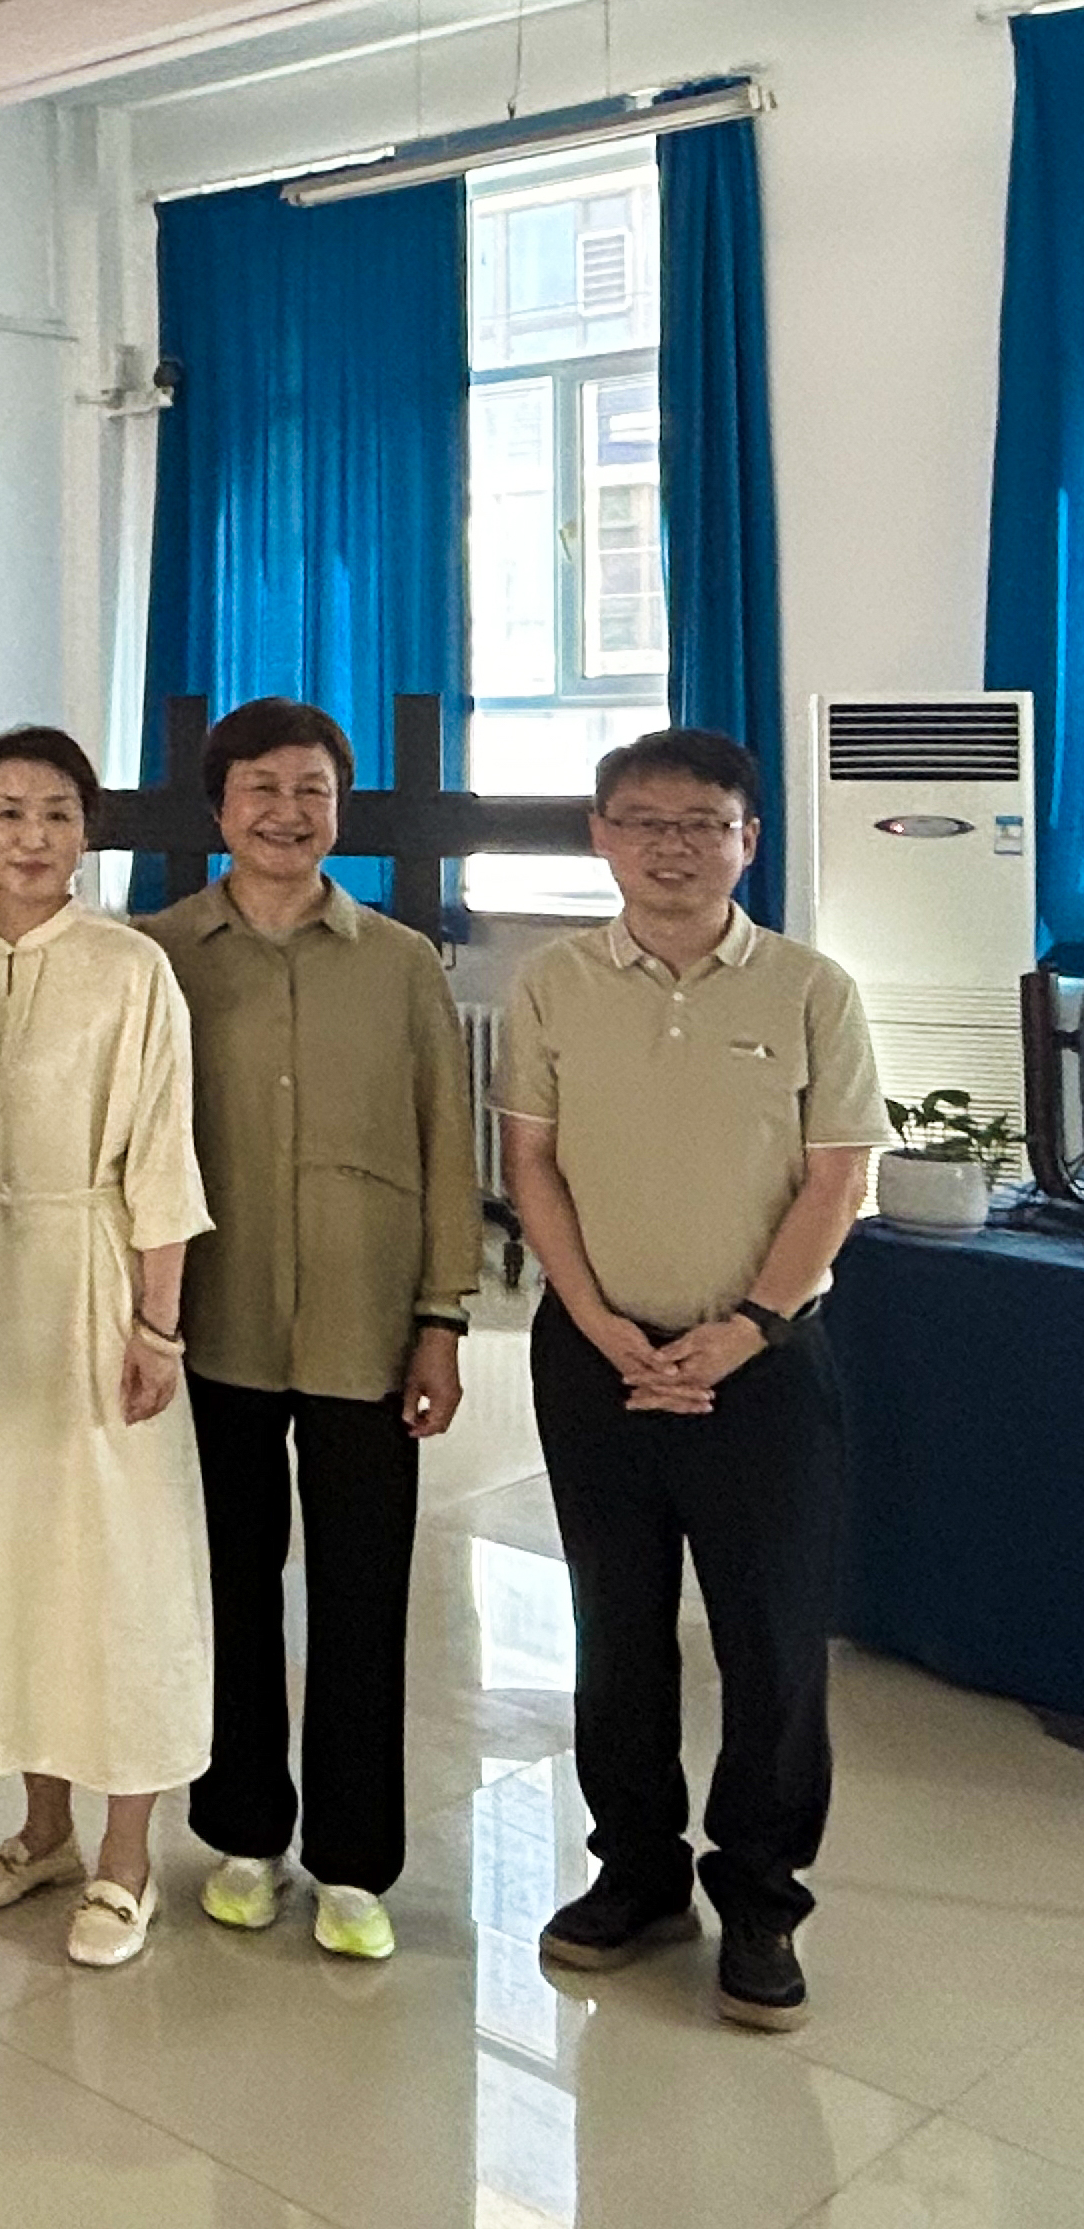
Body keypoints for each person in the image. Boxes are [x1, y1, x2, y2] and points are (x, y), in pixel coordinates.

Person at [497, 727, 884, 2032]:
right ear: (601, 837)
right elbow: (532, 1162)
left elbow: (838, 1176)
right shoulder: (552, 982)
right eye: (644, 821)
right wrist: (600, 1324)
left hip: (762, 1368)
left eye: (701, 824)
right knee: (614, 1629)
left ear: (746, 841)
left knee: (771, 1641)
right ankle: (638, 1873)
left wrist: (749, 1326)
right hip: (597, 1358)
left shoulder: (810, 988)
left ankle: (762, 1899)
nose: (672, 847)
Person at [137, 698, 479, 1964]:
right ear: (219, 808)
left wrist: (441, 1317)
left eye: (312, 792)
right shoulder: (159, 957)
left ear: (340, 810)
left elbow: (448, 1143)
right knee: (227, 1588)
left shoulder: (399, 961)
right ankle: (240, 1832)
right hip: (209, 1326)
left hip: (365, 1325)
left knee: (361, 1597)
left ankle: (351, 1861)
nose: (287, 814)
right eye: (262, 790)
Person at [0, 726, 212, 1971]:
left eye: (57, 814)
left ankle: (127, 1855)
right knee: (5, 1564)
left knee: (114, 1566)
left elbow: (163, 1156)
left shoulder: (130, 969)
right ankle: (43, 1830)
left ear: (87, 832)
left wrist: (157, 1324)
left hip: (91, 1279)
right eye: (8, 812)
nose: (31, 837)